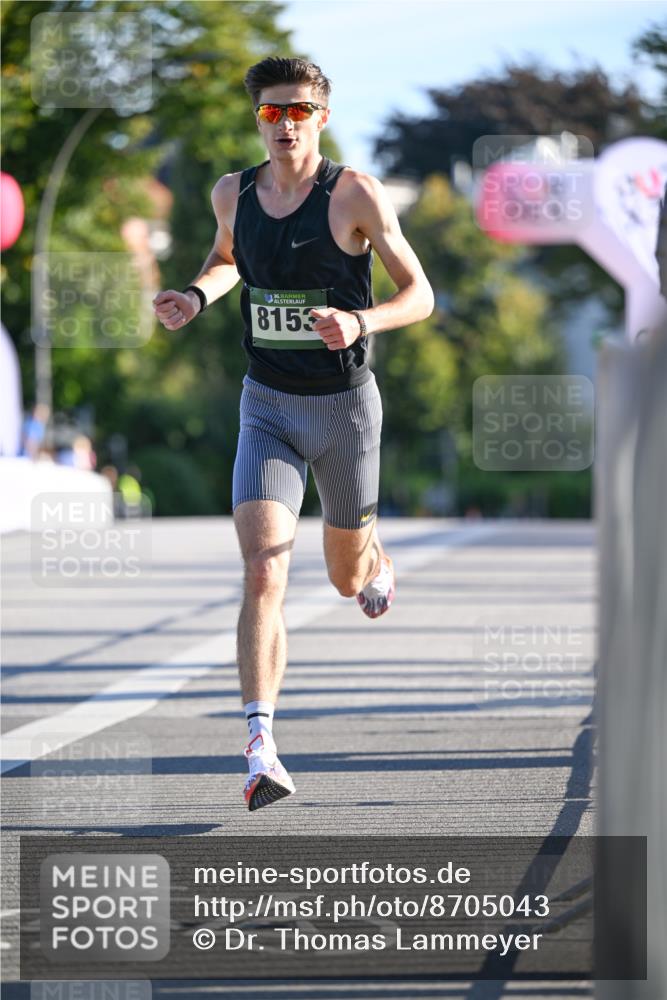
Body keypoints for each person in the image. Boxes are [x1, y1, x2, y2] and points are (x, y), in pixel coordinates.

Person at [153, 57, 433, 811]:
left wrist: (360, 321)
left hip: (344, 411)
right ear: (258, 119)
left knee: (344, 582)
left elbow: (421, 293)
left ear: (322, 116)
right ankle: (260, 747)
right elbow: (228, 259)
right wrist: (193, 295)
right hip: (267, 407)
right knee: (262, 572)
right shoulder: (232, 192)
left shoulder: (355, 195)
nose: (286, 125)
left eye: (299, 111)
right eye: (272, 113)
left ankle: (371, 557)